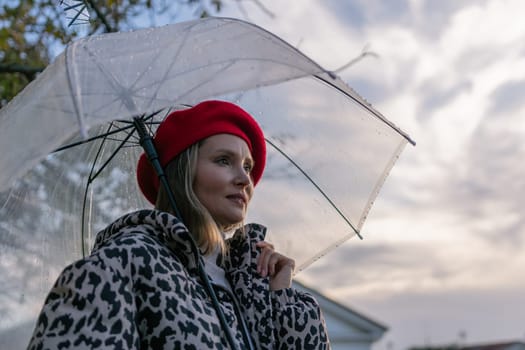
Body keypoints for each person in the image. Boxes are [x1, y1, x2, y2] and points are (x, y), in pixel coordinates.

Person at [27, 100, 331, 349]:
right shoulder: (126, 262)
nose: (244, 179)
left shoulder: (252, 283)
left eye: (247, 166)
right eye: (224, 160)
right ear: (183, 172)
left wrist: (282, 298)